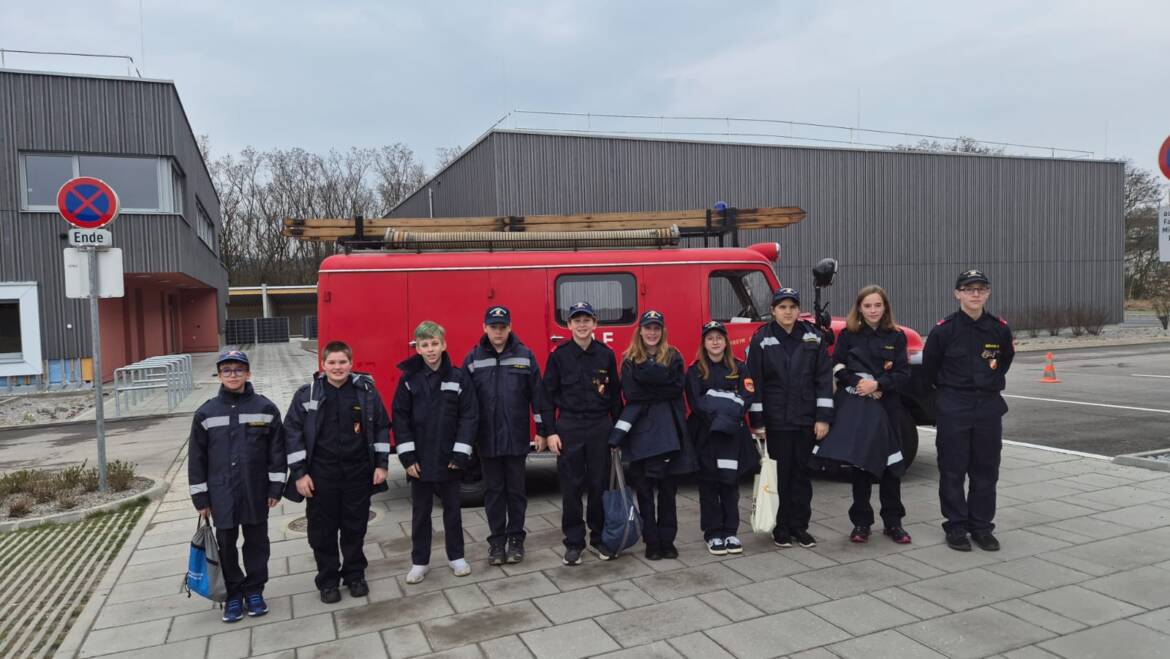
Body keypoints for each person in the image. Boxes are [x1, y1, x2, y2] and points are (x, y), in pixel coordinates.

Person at [283, 341, 392, 603]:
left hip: (358, 473)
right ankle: (328, 580)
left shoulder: (365, 391)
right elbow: (292, 433)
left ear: (351, 364)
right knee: (322, 530)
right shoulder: (307, 394)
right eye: (332, 362)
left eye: (342, 362)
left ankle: (355, 575)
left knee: (355, 527)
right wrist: (300, 474)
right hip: (321, 475)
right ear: (323, 365)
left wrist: (381, 464)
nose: (337, 367)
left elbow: (380, 427)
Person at [188, 349, 285, 623]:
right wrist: (201, 498)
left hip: (256, 491)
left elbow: (277, 453)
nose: (233, 375)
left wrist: (275, 488)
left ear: (248, 373)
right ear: (219, 375)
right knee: (226, 545)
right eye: (227, 370)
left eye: (238, 369)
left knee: (256, 543)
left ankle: (254, 590)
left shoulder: (265, 408)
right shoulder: (206, 413)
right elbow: (196, 459)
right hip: (221, 493)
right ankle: (233, 594)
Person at [923, 269, 1014, 552]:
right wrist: (947, 403)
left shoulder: (999, 329)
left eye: (980, 289)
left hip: (987, 407)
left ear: (987, 293)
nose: (975, 294)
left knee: (986, 470)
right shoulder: (944, 330)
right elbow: (929, 371)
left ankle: (982, 527)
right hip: (954, 406)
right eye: (968, 289)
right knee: (952, 470)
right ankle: (956, 526)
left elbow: (1005, 361)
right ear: (957, 293)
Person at [462, 305, 553, 566]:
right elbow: (466, 403)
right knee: (493, 492)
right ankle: (496, 541)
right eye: (493, 327)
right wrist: (466, 440)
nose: (498, 331)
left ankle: (516, 539)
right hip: (487, 439)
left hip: (515, 437)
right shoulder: (473, 359)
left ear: (510, 327)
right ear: (485, 328)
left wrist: (542, 431)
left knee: (516, 491)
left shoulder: (524, 355)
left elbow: (538, 396)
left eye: (502, 327)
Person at [746, 287, 833, 549]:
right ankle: (781, 527)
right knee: (781, 475)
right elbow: (754, 382)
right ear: (773, 311)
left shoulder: (813, 338)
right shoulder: (761, 339)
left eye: (792, 307)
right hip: (777, 420)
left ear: (798, 310)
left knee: (802, 474)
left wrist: (823, 418)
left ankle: (800, 527)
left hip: (806, 418)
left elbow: (823, 380)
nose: (787, 312)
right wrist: (758, 422)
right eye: (782, 307)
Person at [393, 321, 478, 584]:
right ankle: (420, 562)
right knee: (420, 514)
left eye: (434, 344)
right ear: (417, 348)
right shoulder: (408, 380)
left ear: (444, 345)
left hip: (449, 460)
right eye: (424, 345)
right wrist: (407, 458)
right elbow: (400, 418)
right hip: (419, 461)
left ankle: (456, 557)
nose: (430, 350)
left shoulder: (458, 377)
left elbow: (469, 416)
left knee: (452, 510)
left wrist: (460, 454)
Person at [609, 310, 694, 560]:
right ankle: (651, 541)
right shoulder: (628, 359)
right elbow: (632, 394)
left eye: (657, 328)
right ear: (640, 331)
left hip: (670, 433)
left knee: (668, 491)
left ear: (662, 331)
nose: (652, 333)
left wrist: (650, 384)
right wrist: (661, 385)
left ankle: (667, 540)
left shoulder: (674, 355)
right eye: (648, 328)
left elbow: (678, 388)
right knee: (644, 491)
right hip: (641, 435)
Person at [543, 301, 623, 566]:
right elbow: (547, 398)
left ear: (595, 324)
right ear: (569, 325)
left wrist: (617, 432)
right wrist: (550, 432)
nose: (582, 325)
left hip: (600, 426)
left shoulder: (606, 355)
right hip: (569, 426)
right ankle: (574, 543)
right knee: (571, 487)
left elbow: (614, 398)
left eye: (586, 320)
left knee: (599, 485)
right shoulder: (558, 356)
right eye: (576, 320)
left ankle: (599, 538)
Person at [831, 286, 912, 545]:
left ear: (885, 308)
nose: (873, 310)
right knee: (861, 467)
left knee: (891, 468)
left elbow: (902, 373)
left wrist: (878, 385)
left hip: (887, 409)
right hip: (860, 408)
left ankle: (894, 523)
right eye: (868, 306)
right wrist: (859, 384)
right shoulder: (848, 335)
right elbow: (837, 367)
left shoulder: (897, 337)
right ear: (860, 308)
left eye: (878, 305)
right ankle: (861, 523)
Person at [685, 320, 757, 555]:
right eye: (710, 338)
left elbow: (746, 398)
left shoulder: (740, 368)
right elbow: (697, 404)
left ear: (726, 341)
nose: (715, 342)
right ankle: (713, 533)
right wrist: (727, 402)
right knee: (708, 485)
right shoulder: (694, 371)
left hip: (731, 437)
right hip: (705, 435)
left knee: (729, 484)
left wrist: (716, 401)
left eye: (719, 337)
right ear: (704, 343)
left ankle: (730, 532)